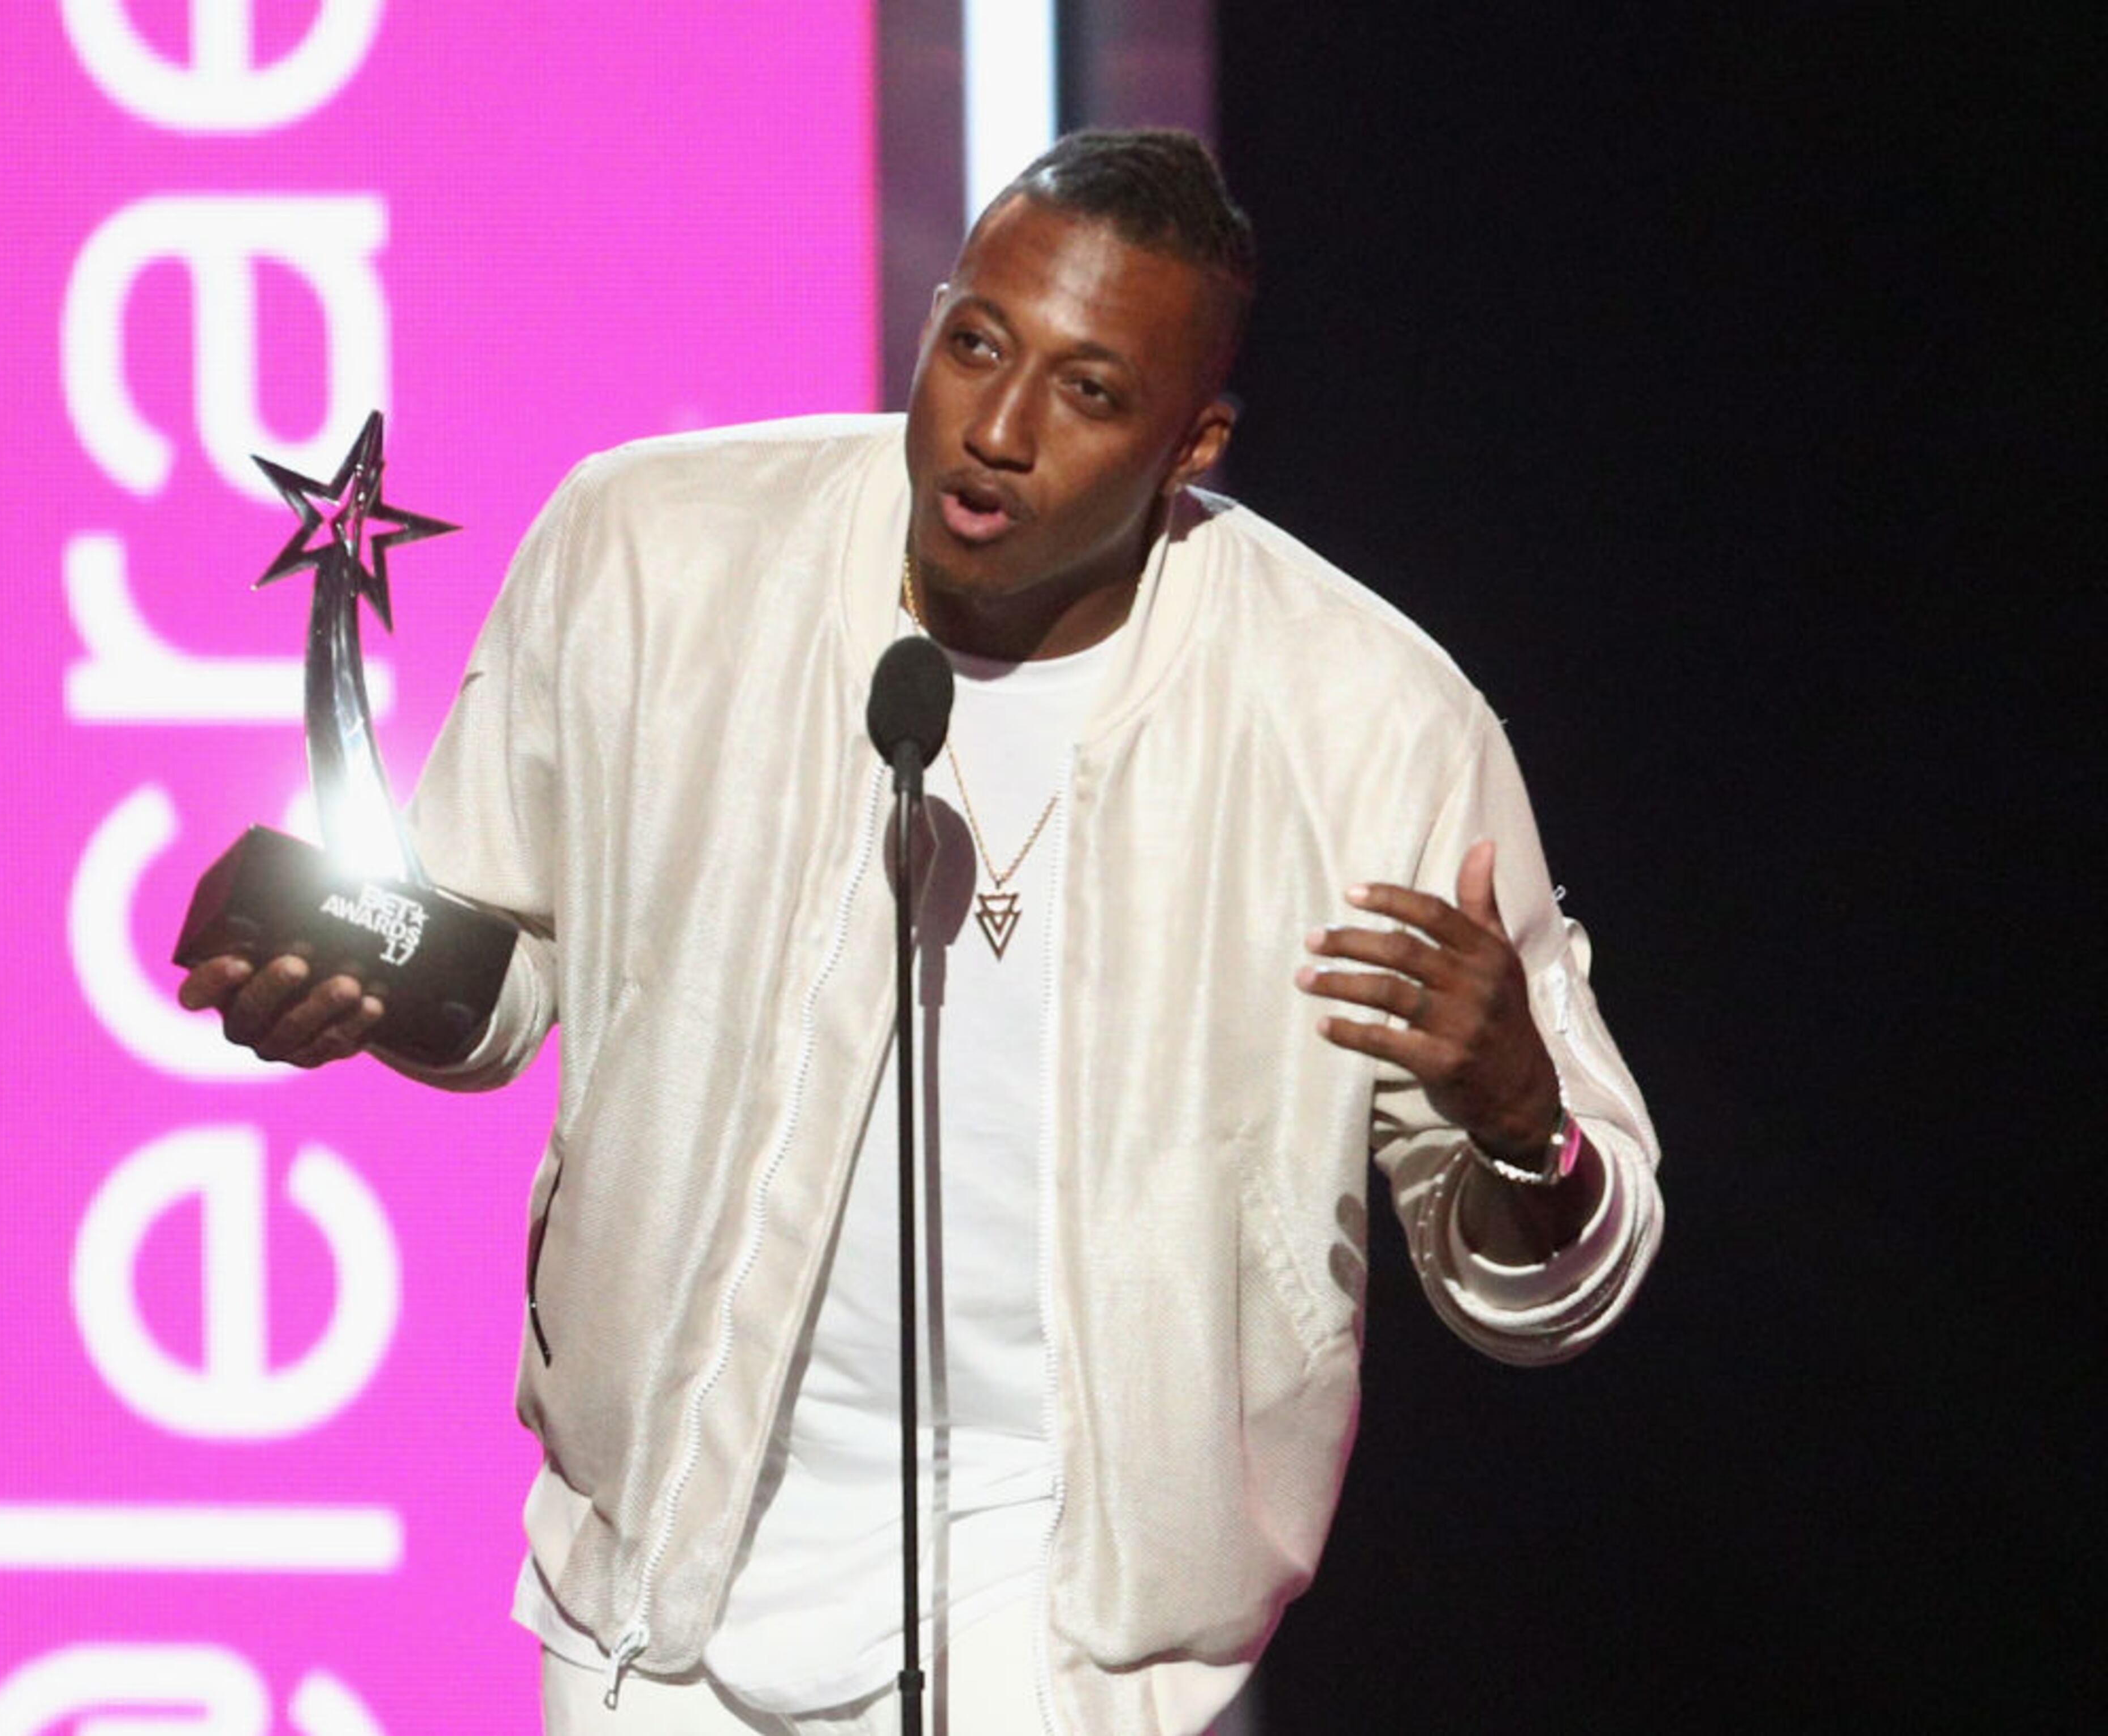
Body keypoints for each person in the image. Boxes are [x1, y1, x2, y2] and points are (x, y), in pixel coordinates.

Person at [179, 129, 1662, 1736]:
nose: (999, 430)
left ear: (1195, 443)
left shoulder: (1366, 725)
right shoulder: (653, 555)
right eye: (976, 345)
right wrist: (364, 990)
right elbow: (511, 973)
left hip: (1076, 1621)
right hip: (659, 1579)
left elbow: (1555, 1274)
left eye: (1090, 394)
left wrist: (1525, 1133)